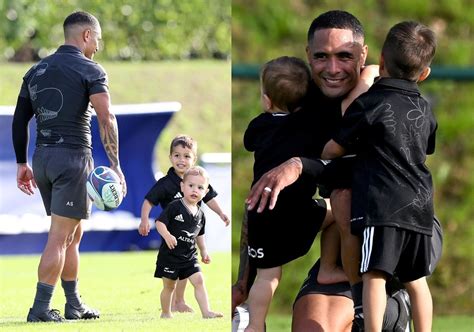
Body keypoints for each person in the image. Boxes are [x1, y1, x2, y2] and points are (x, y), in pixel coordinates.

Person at [234, 10, 425, 331]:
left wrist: (300, 165)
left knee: (344, 192)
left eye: (344, 56)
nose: (333, 68)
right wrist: (243, 280)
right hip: (341, 255)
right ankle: (328, 276)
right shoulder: (297, 107)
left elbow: (361, 168)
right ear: (308, 56)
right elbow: (260, 195)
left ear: (364, 54)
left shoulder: (383, 98)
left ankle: (393, 300)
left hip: (391, 235)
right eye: (322, 56)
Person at [321, 21, 437, 331]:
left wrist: (327, 150)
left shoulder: (370, 103)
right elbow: (426, 146)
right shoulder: (426, 108)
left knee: (373, 274)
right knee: (417, 281)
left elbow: (334, 149)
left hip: (384, 208)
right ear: (424, 74)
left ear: (380, 62)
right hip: (421, 207)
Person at [12, 11, 126, 322]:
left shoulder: (36, 70)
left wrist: (22, 162)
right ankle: (39, 309)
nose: (98, 47)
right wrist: (115, 165)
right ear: (87, 35)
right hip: (73, 158)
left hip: (42, 158)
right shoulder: (91, 68)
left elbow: (20, 119)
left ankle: (74, 303)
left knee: (73, 235)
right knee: (60, 236)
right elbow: (106, 118)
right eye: (97, 40)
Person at [243, 56, 344, 332]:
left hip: (261, 213)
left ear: (267, 100)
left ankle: (253, 324)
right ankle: (329, 268)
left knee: (267, 277)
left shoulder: (260, 126)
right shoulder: (311, 126)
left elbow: (248, 141)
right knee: (338, 210)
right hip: (296, 214)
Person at [139, 134, 229, 313]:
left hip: (190, 235)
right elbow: (149, 201)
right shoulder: (165, 184)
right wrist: (144, 221)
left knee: (189, 271)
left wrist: (221, 213)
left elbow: (210, 198)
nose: (181, 160)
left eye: (187, 156)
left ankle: (180, 302)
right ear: (171, 157)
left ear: (194, 159)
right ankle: (171, 305)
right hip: (171, 235)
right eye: (177, 155)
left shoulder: (198, 179)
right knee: (172, 277)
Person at [154, 166, 223, 319]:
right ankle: (166, 313)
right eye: (191, 185)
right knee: (169, 286)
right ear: (182, 187)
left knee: (199, 280)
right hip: (170, 256)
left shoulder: (200, 214)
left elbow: (199, 234)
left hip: (189, 256)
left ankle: (207, 312)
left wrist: (204, 251)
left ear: (205, 192)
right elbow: (159, 223)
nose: (194, 190)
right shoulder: (175, 206)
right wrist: (167, 235)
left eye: (200, 187)